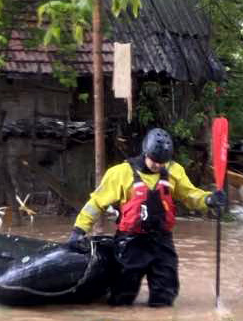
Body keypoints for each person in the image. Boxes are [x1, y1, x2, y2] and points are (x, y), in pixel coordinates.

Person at [66, 128, 227, 307]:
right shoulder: (120, 173)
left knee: (166, 294)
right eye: (154, 161)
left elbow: (191, 196)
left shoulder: (175, 171)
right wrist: (78, 231)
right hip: (131, 242)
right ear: (145, 152)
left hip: (161, 242)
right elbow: (96, 204)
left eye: (162, 162)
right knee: (122, 297)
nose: (158, 166)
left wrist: (209, 199)